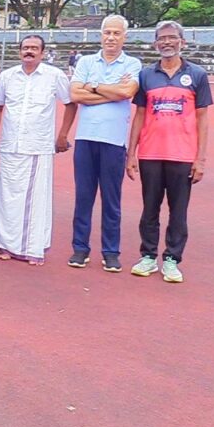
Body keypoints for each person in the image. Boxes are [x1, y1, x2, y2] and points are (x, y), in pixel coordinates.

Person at [127, 21, 213, 283]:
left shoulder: (197, 75)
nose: (166, 42)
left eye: (172, 37)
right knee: (149, 209)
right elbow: (139, 115)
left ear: (182, 42)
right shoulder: (146, 75)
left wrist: (200, 159)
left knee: (178, 211)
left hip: (182, 156)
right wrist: (131, 154)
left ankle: (172, 259)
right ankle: (148, 256)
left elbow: (202, 118)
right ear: (155, 43)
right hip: (150, 153)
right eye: (161, 38)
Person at [0, 35, 76, 265]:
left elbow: (70, 104)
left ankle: (32, 249)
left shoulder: (54, 76)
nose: (29, 51)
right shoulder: (7, 76)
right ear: (20, 51)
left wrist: (63, 135)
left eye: (34, 48)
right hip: (10, 145)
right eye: (25, 47)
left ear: (42, 52)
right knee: (6, 198)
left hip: (38, 146)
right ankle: (6, 246)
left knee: (35, 201)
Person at [68, 15, 142, 272]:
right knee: (83, 197)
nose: (111, 37)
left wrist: (93, 86)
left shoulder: (132, 63)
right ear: (101, 35)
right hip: (85, 139)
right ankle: (80, 248)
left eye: (116, 33)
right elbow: (75, 94)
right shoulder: (86, 61)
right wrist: (111, 92)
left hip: (113, 141)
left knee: (112, 199)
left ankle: (111, 251)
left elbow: (127, 92)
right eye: (107, 32)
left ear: (124, 37)